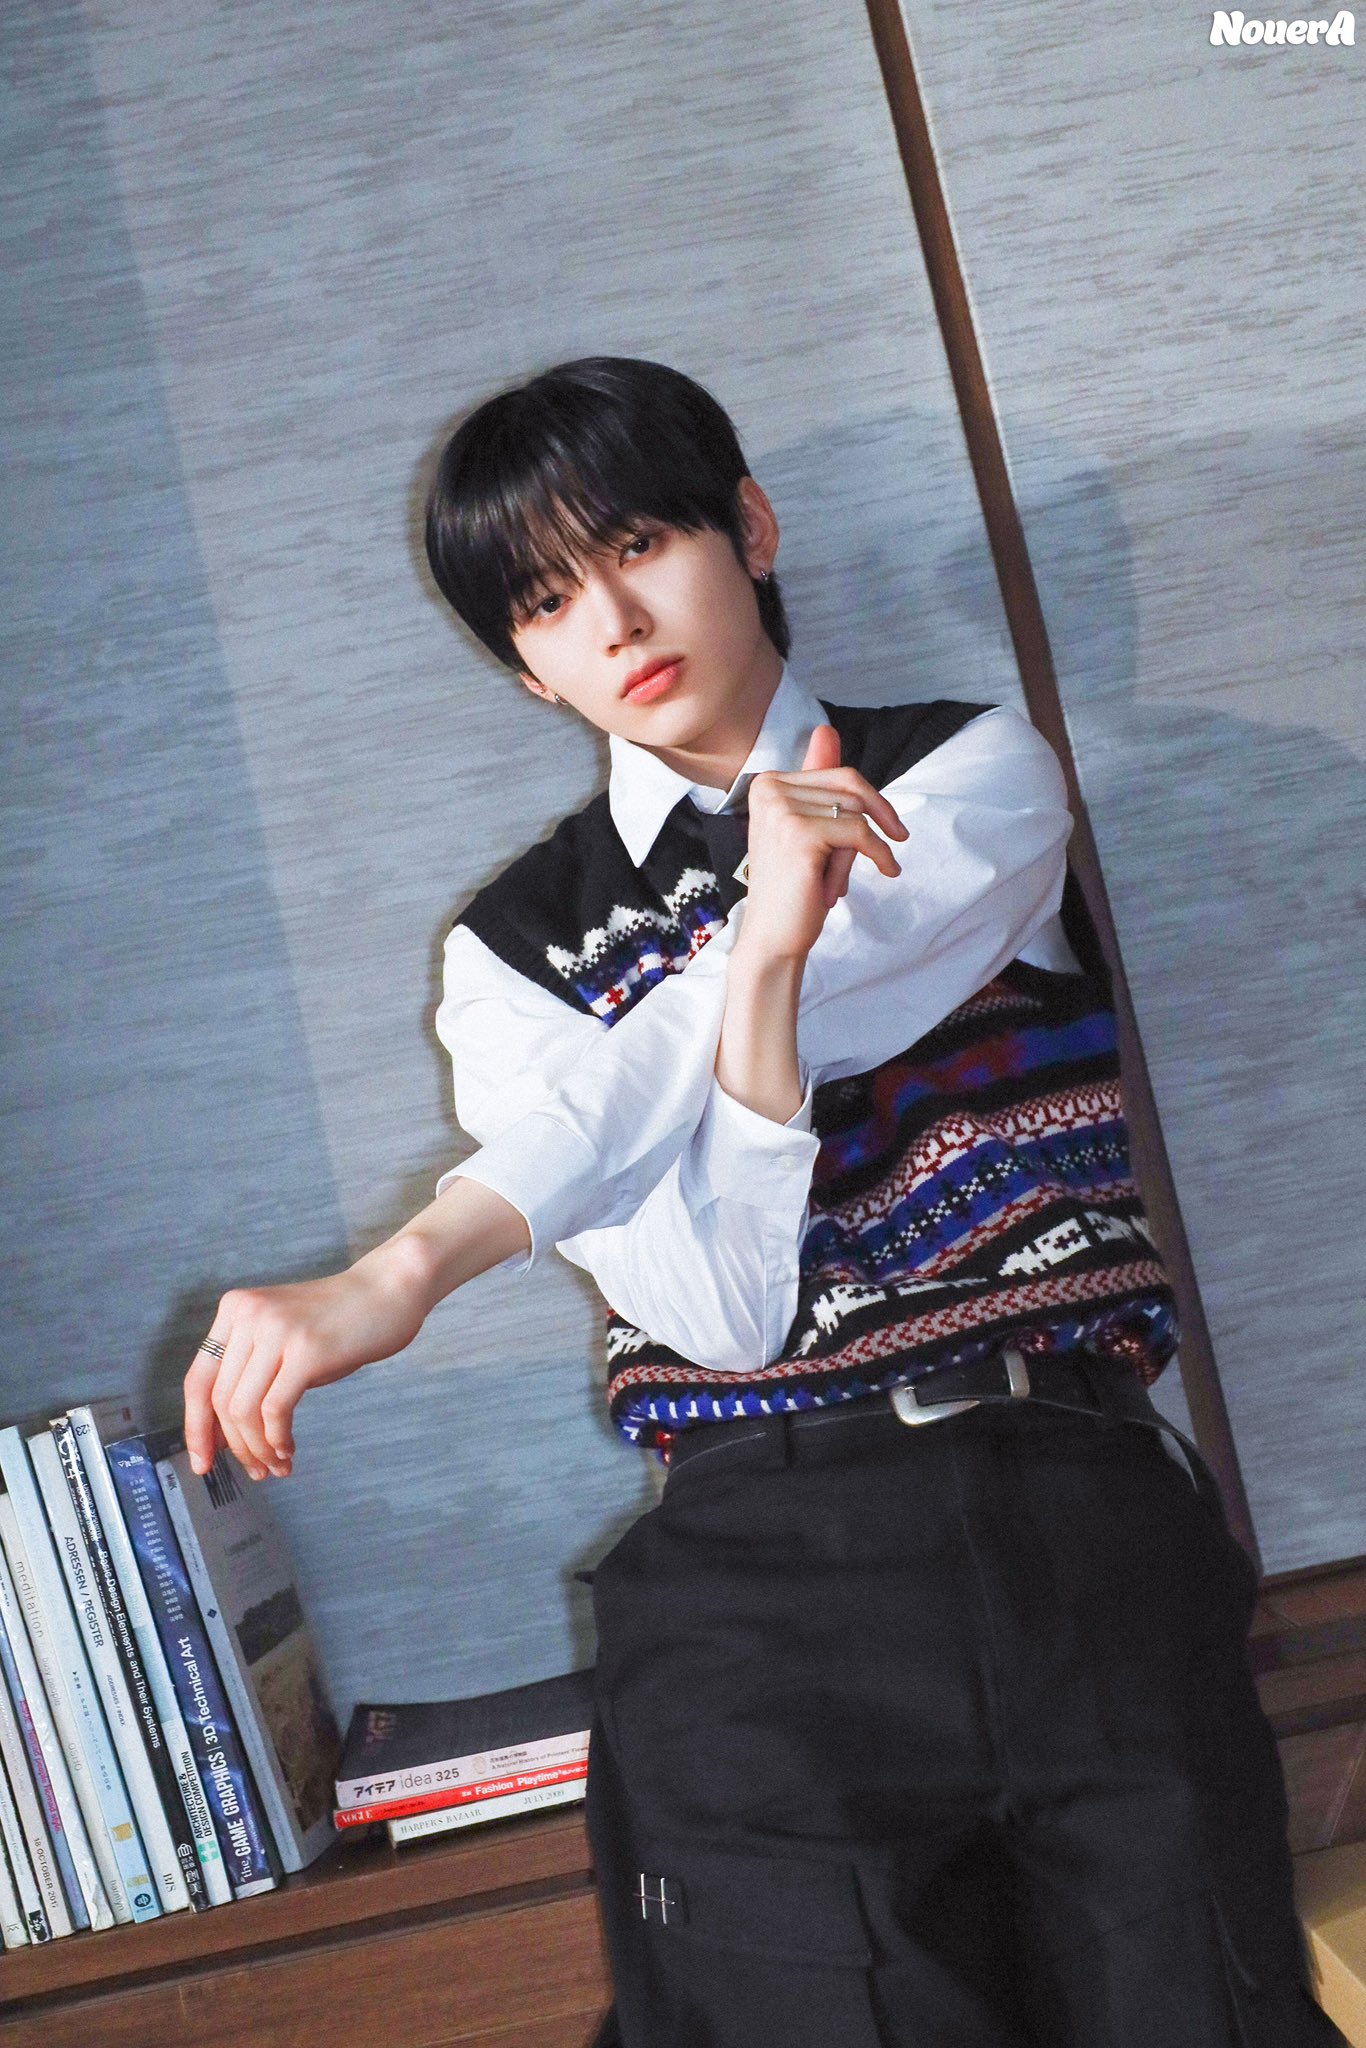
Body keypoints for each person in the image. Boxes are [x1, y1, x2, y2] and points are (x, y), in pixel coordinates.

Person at [184, 357, 1344, 2046]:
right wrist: (764, 968)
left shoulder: (964, 769)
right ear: (522, 666)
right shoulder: (511, 957)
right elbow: (724, 1314)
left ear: (749, 526)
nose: (612, 621)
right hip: (758, 1581)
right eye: (545, 601)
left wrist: (414, 1265)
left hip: (1073, 1521)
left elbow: (838, 986)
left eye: (637, 543)